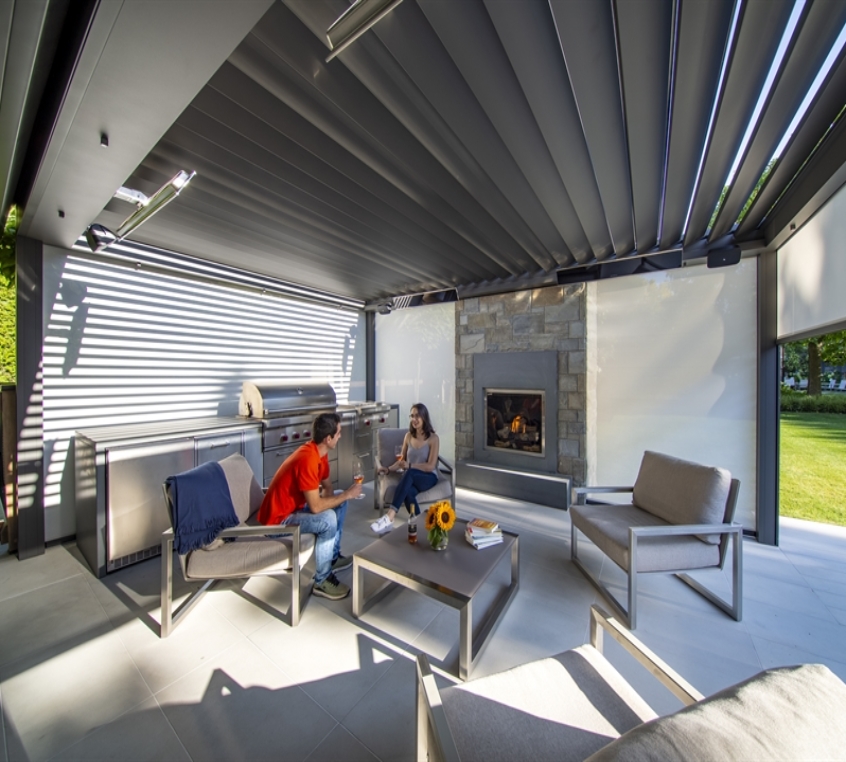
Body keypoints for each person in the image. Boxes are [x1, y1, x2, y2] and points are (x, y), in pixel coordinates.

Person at [257, 412, 361, 600]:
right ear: (328, 438)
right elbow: (315, 507)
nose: (340, 436)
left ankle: (332, 557)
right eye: (338, 433)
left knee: (339, 500)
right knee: (329, 518)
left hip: (294, 509)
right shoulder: (308, 459)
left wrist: (341, 498)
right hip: (278, 521)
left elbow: (328, 489)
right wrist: (347, 494)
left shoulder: (320, 453)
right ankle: (321, 580)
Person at [370, 403, 440, 534]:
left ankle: (389, 516)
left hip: (428, 477)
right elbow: (401, 461)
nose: (414, 419)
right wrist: (388, 469)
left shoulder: (433, 438)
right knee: (408, 493)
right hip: (411, 477)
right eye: (412, 416)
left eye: (417, 416)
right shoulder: (408, 436)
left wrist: (410, 466)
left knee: (410, 472)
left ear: (424, 417)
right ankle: (422, 527)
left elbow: (430, 466)